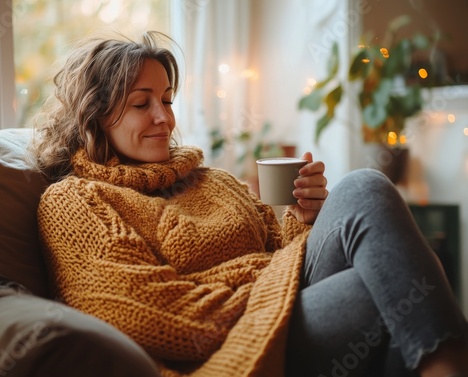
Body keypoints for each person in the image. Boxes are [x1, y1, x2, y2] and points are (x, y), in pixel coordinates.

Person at [31, 31, 467, 377]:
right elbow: (148, 314)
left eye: (166, 100)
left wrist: (307, 217)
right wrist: (262, 289)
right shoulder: (75, 201)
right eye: (141, 104)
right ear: (96, 115)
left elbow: (281, 250)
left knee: (364, 187)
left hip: (284, 301)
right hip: (229, 346)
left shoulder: (213, 180)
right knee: (389, 286)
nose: (164, 118)